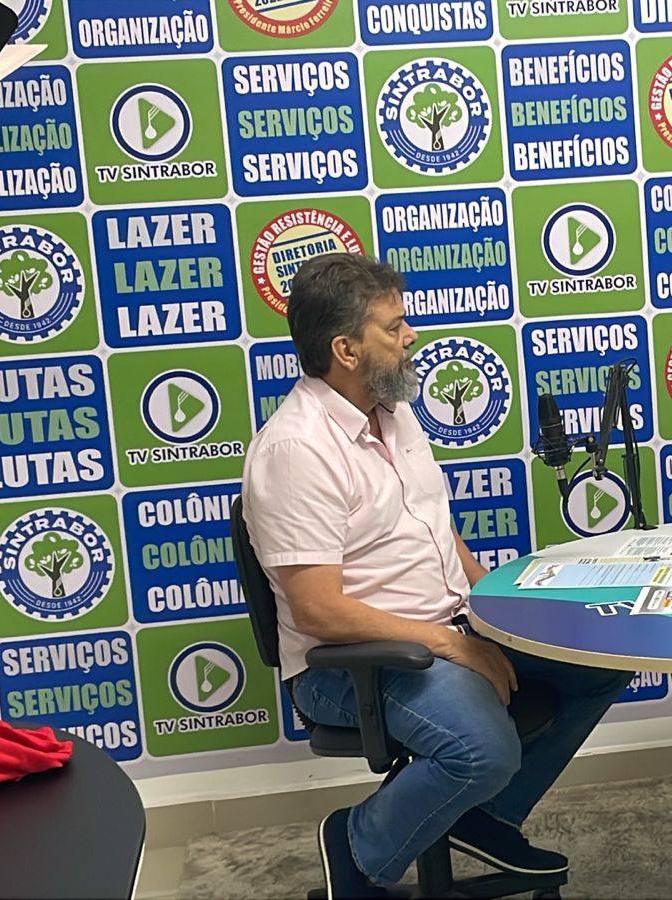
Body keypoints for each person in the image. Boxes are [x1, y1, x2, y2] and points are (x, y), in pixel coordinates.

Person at [240, 253, 633, 898]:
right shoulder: (296, 450)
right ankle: (356, 844)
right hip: (351, 663)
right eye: (393, 327)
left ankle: (483, 817)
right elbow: (317, 610)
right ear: (345, 349)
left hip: (446, 626)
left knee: (602, 661)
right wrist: (454, 644)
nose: (411, 336)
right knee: (483, 749)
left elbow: (431, 524)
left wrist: (494, 609)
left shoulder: (393, 412)